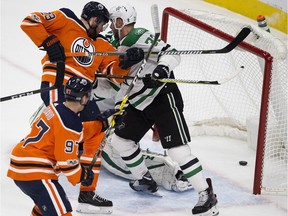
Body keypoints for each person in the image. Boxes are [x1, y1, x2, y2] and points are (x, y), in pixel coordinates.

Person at [20, 1, 144, 214]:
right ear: (94, 19)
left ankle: (87, 193)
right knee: (64, 132)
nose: (104, 28)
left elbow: (111, 71)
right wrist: (49, 42)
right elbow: (30, 21)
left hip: (83, 95)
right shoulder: (66, 19)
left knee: (97, 130)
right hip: (58, 84)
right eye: (103, 23)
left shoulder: (102, 45)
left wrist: (126, 62)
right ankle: (41, 177)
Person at [107, 4, 219, 216]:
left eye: (117, 21)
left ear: (124, 20)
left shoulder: (139, 35)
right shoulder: (113, 45)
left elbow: (172, 53)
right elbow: (121, 84)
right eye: (113, 21)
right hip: (138, 102)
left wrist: (161, 69)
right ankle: (144, 178)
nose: (113, 25)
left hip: (161, 96)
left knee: (177, 150)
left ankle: (206, 195)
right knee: (120, 140)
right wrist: (117, 108)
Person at [7, 77, 113, 216]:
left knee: (45, 211)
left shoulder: (56, 107)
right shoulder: (69, 121)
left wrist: (100, 125)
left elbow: (75, 134)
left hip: (23, 164)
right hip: (35, 170)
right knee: (62, 212)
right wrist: (82, 175)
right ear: (84, 98)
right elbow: (66, 160)